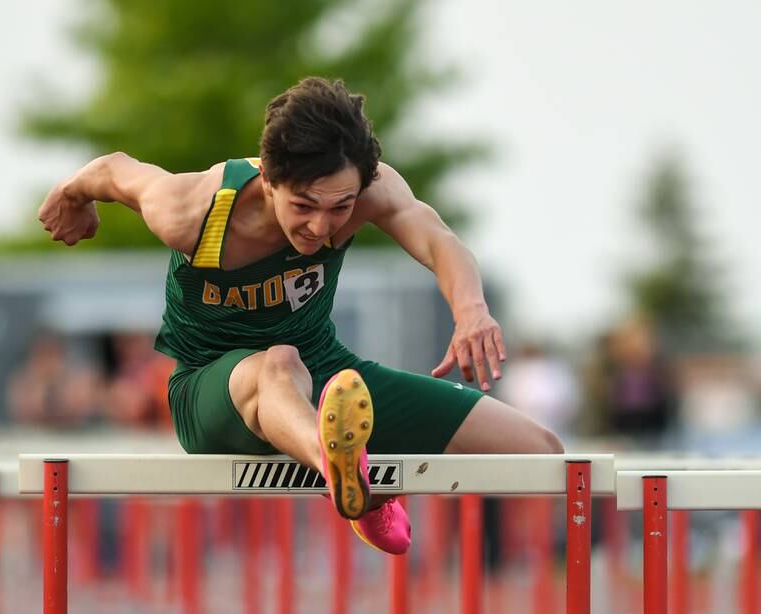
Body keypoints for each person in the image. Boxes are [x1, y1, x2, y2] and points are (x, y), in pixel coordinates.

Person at [37, 77, 564, 555]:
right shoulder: (191, 210)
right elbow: (112, 170)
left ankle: (355, 477)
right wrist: (72, 195)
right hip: (209, 392)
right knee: (277, 363)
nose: (320, 226)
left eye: (340, 207)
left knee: (540, 451)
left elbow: (437, 239)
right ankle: (349, 479)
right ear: (267, 179)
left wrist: (471, 311)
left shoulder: (372, 192)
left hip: (323, 375)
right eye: (304, 205)